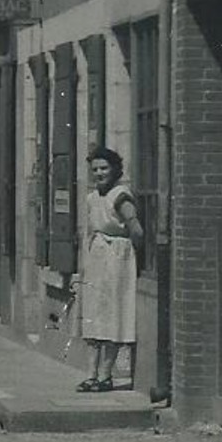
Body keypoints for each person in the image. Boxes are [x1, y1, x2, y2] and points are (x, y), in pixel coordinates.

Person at [78, 146, 143, 392]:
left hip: (117, 257)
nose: (99, 173)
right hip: (96, 256)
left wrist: (130, 251)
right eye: (95, 169)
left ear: (115, 169)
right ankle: (91, 375)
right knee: (94, 314)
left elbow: (136, 229)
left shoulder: (121, 196)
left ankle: (106, 376)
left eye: (104, 168)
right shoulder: (92, 198)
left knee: (112, 314)